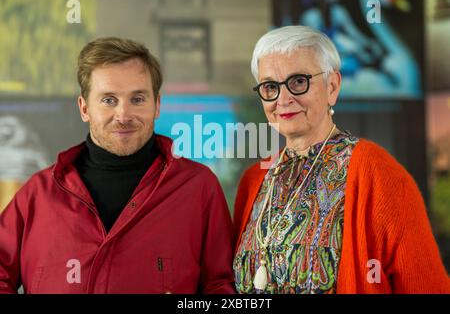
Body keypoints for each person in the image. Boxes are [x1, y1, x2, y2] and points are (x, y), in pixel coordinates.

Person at [0, 37, 235, 294]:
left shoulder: (198, 188)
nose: (123, 116)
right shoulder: (37, 194)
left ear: (157, 105)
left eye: (137, 99)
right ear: (84, 108)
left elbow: (220, 288)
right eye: (109, 100)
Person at [233, 25, 450, 294]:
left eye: (298, 81)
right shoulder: (254, 180)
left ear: (332, 86)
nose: (284, 98)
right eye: (270, 87)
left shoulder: (378, 174)